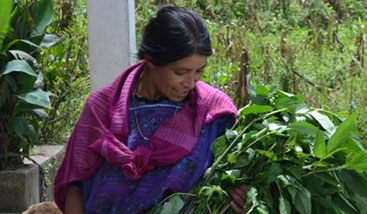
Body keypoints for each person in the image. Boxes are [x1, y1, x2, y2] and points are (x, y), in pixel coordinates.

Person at [54, 6, 247, 214]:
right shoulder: (101, 110)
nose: (190, 82)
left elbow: (233, 176)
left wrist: (241, 194)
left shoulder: (214, 114)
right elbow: (75, 185)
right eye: (180, 72)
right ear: (151, 60)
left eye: (199, 71)